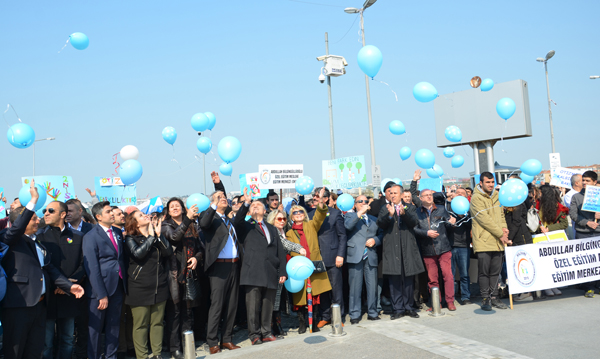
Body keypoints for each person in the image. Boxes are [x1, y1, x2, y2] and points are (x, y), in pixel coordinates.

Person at [1, 181, 85, 359]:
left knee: (35, 349)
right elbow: (15, 229)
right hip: (19, 305)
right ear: (20, 222)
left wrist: (69, 286)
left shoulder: (36, 242)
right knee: (15, 351)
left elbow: (49, 269)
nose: (39, 219)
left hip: (39, 306)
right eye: (33, 218)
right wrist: (33, 200)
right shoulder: (9, 240)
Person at [235, 193, 287, 345]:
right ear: (249, 211)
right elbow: (237, 221)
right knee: (252, 306)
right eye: (253, 206)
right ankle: (255, 335)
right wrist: (246, 203)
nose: (255, 206)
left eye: (259, 205)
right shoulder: (245, 226)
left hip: (270, 271)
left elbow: (279, 251)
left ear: (266, 211)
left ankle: (266, 332)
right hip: (253, 272)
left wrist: (282, 271)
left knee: (268, 305)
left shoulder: (271, 228)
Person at [39, 201, 86, 359]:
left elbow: (83, 264)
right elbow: (44, 266)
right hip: (49, 296)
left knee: (67, 339)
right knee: (46, 342)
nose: (46, 213)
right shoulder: (40, 236)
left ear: (63, 214)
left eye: (51, 210)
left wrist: (71, 284)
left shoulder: (78, 237)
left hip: (70, 296)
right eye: (45, 210)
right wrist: (60, 284)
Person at [200, 190, 244, 355]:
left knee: (232, 304)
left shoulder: (229, 220)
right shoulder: (211, 217)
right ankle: (212, 341)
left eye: (225, 197)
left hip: (234, 265)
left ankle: (227, 339)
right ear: (213, 202)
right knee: (217, 305)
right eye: (219, 198)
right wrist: (213, 204)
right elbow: (203, 224)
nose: (223, 199)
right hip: (219, 267)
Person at [82, 201, 128, 359]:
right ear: (99, 217)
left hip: (117, 286)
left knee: (113, 327)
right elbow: (92, 268)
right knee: (95, 330)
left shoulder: (116, 232)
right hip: (99, 291)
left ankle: (111, 356)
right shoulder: (91, 236)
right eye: (109, 212)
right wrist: (101, 294)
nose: (113, 214)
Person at [124, 211, 173, 359]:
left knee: (157, 323)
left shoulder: (156, 236)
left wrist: (159, 235)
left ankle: (157, 354)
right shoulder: (130, 238)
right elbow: (138, 254)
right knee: (141, 325)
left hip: (159, 285)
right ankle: (142, 356)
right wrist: (151, 237)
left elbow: (168, 252)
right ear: (135, 223)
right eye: (140, 215)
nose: (145, 215)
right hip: (139, 287)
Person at [161, 198, 203, 359]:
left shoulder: (192, 225)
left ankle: (187, 344)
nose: (174, 208)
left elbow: (199, 248)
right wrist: (187, 219)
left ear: (183, 209)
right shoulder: (166, 225)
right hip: (174, 274)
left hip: (189, 274)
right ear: (168, 211)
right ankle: (174, 348)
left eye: (177, 205)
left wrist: (197, 258)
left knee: (187, 312)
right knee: (175, 313)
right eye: (171, 207)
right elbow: (174, 237)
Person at [286, 188, 331, 334]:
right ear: (291, 217)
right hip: (299, 268)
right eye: (295, 213)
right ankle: (302, 323)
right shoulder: (288, 233)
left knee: (315, 296)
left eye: (300, 212)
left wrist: (321, 200)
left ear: (304, 215)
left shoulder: (311, 225)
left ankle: (314, 323)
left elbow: (320, 215)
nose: (298, 214)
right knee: (300, 297)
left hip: (313, 265)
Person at [376, 184, 424, 319]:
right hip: (392, 249)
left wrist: (404, 214)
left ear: (402, 195)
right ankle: (397, 308)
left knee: (409, 279)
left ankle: (409, 307)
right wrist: (390, 215)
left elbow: (414, 222)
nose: (392, 195)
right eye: (390, 193)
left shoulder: (410, 207)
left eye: (395, 193)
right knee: (394, 279)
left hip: (407, 248)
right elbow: (380, 224)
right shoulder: (384, 209)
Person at [302, 187, 347, 328]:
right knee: (322, 290)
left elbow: (342, 236)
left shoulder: (335, 213)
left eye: (318, 196)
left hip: (333, 257)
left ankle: (338, 317)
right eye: (314, 196)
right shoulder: (309, 214)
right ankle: (325, 316)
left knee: (336, 289)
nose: (315, 198)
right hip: (316, 258)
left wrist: (340, 255)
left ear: (326, 198)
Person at [470, 172, 509, 311]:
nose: (491, 185)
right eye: (488, 182)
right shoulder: (476, 198)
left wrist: (504, 228)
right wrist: (500, 234)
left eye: (492, 182)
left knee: (495, 272)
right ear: (481, 183)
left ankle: (494, 297)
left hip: (497, 240)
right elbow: (484, 220)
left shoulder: (497, 196)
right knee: (484, 272)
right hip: (483, 240)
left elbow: (500, 214)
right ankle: (485, 299)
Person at [413, 189, 457, 311]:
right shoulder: (417, 212)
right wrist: (426, 233)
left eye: (430, 195)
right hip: (428, 250)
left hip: (443, 248)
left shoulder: (441, 209)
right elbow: (414, 229)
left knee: (448, 276)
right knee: (432, 279)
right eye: (426, 195)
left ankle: (450, 301)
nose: (429, 197)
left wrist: (452, 223)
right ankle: (436, 304)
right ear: (420, 198)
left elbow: (448, 226)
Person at [266, 208, 306, 337]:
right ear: (272, 220)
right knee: (274, 301)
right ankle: (273, 328)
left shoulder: (282, 231)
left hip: (282, 269)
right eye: (279, 219)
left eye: (284, 218)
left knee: (279, 300)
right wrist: (299, 247)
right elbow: (285, 244)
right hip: (274, 270)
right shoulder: (273, 232)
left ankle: (277, 326)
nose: (282, 221)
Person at [344, 195, 382, 324]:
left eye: (366, 201)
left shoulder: (373, 219)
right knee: (355, 286)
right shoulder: (349, 217)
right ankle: (355, 314)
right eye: (360, 201)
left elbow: (382, 234)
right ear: (355, 205)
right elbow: (348, 227)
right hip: (355, 255)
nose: (363, 203)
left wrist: (375, 240)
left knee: (372, 286)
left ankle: (372, 312)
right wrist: (359, 213)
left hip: (370, 254)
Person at [534, 185, 569, 297]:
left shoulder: (558, 207)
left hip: (554, 239)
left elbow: (564, 224)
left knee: (553, 263)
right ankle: (546, 287)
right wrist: (539, 227)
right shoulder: (535, 205)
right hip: (539, 238)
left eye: (540, 193)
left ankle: (553, 285)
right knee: (542, 264)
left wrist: (549, 229)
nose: (538, 195)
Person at [449, 188, 473, 305]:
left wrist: (462, 215)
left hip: (463, 246)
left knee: (464, 274)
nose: (459, 194)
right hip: (450, 245)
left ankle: (465, 297)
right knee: (451, 275)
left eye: (462, 193)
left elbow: (470, 226)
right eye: (457, 193)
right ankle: (451, 298)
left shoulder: (468, 210)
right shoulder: (448, 209)